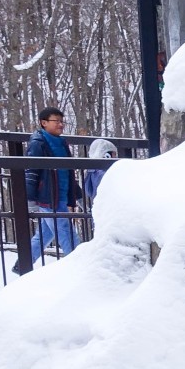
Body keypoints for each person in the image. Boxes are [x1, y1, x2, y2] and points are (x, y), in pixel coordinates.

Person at [23, 106, 82, 259]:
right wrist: (31, 199)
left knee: (44, 234)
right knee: (66, 232)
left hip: (60, 194)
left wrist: (77, 194)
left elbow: (68, 171)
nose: (61, 124)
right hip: (48, 198)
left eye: (62, 121)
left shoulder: (62, 143)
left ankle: (23, 263)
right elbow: (31, 171)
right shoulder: (38, 143)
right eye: (56, 121)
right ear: (44, 123)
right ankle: (79, 265)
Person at [84, 137, 117, 205]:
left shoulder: (91, 172)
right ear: (107, 155)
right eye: (114, 154)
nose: (116, 158)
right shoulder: (103, 174)